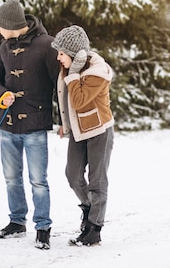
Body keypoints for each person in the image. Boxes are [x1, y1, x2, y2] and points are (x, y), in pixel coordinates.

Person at [0, 0, 59, 250]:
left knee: (38, 179)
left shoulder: (47, 45)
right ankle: (17, 221)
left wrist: (64, 122)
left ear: (12, 24)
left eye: (0, 26)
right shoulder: (5, 47)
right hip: (7, 124)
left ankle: (43, 226)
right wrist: (2, 93)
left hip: (35, 125)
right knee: (11, 178)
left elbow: (60, 86)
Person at [51, 25, 114, 246]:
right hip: (79, 130)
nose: (58, 57)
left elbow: (78, 100)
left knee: (97, 180)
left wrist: (74, 74)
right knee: (72, 174)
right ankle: (88, 209)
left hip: (99, 130)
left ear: (75, 54)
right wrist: (65, 124)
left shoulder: (97, 72)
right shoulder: (70, 70)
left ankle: (94, 228)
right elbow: (65, 100)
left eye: (61, 53)